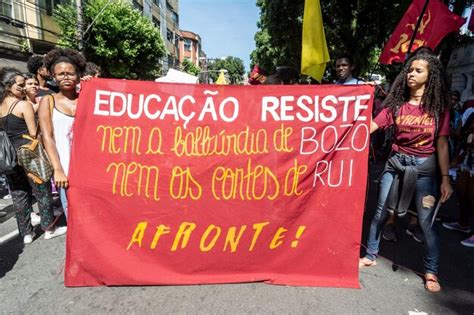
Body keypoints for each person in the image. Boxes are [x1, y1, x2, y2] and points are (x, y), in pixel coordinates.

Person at [359, 53, 453, 293]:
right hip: (395, 163)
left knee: (425, 221)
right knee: (380, 211)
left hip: (424, 170)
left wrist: (445, 179)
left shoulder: (438, 108)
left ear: (430, 76)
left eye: (418, 70)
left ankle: (431, 271)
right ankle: (370, 253)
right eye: (410, 70)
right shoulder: (396, 104)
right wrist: (360, 98)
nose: (411, 74)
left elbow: (441, 144)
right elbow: (371, 126)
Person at [0, 67, 66, 244]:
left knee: (19, 193)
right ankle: (48, 228)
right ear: (8, 87)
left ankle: (26, 233)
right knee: (42, 189)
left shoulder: (1, 106)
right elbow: (33, 133)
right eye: (20, 86)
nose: (23, 88)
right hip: (29, 153)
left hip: (9, 157)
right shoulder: (23, 105)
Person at [38, 48, 87, 220]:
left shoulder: (88, 97)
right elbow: (48, 137)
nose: (66, 77)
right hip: (66, 172)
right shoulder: (47, 101)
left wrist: (93, 86)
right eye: (61, 74)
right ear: (53, 75)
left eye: (70, 73)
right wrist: (58, 169)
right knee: (74, 218)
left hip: (90, 170)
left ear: (79, 75)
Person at [442, 113, 474, 247]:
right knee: (462, 190)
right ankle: (463, 223)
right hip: (469, 158)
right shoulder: (472, 115)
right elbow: (463, 136)